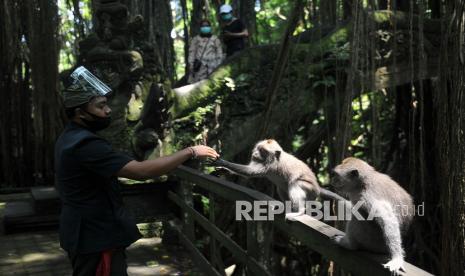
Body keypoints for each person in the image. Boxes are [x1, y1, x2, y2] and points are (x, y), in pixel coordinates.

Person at [55, 67, 219, 276]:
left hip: (89, 233)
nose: (107, 111)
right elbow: (140, 171)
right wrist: (190, 151)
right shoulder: (84, 145)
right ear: (79, 113)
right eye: (101, 106)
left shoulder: (69, 137)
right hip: (94, 236)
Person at [187, 19, 223, 84]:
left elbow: (219, 53)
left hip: (213, 66)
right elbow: (192, 53)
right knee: (199, 84)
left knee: (212, 83)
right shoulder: (196, 39)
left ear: (210, 27)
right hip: (199, 67)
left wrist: (218, 65)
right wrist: (191, 65)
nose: (205, 27)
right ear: (200, 27)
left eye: (207, 26)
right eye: (203, 26)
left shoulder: (215, 39)